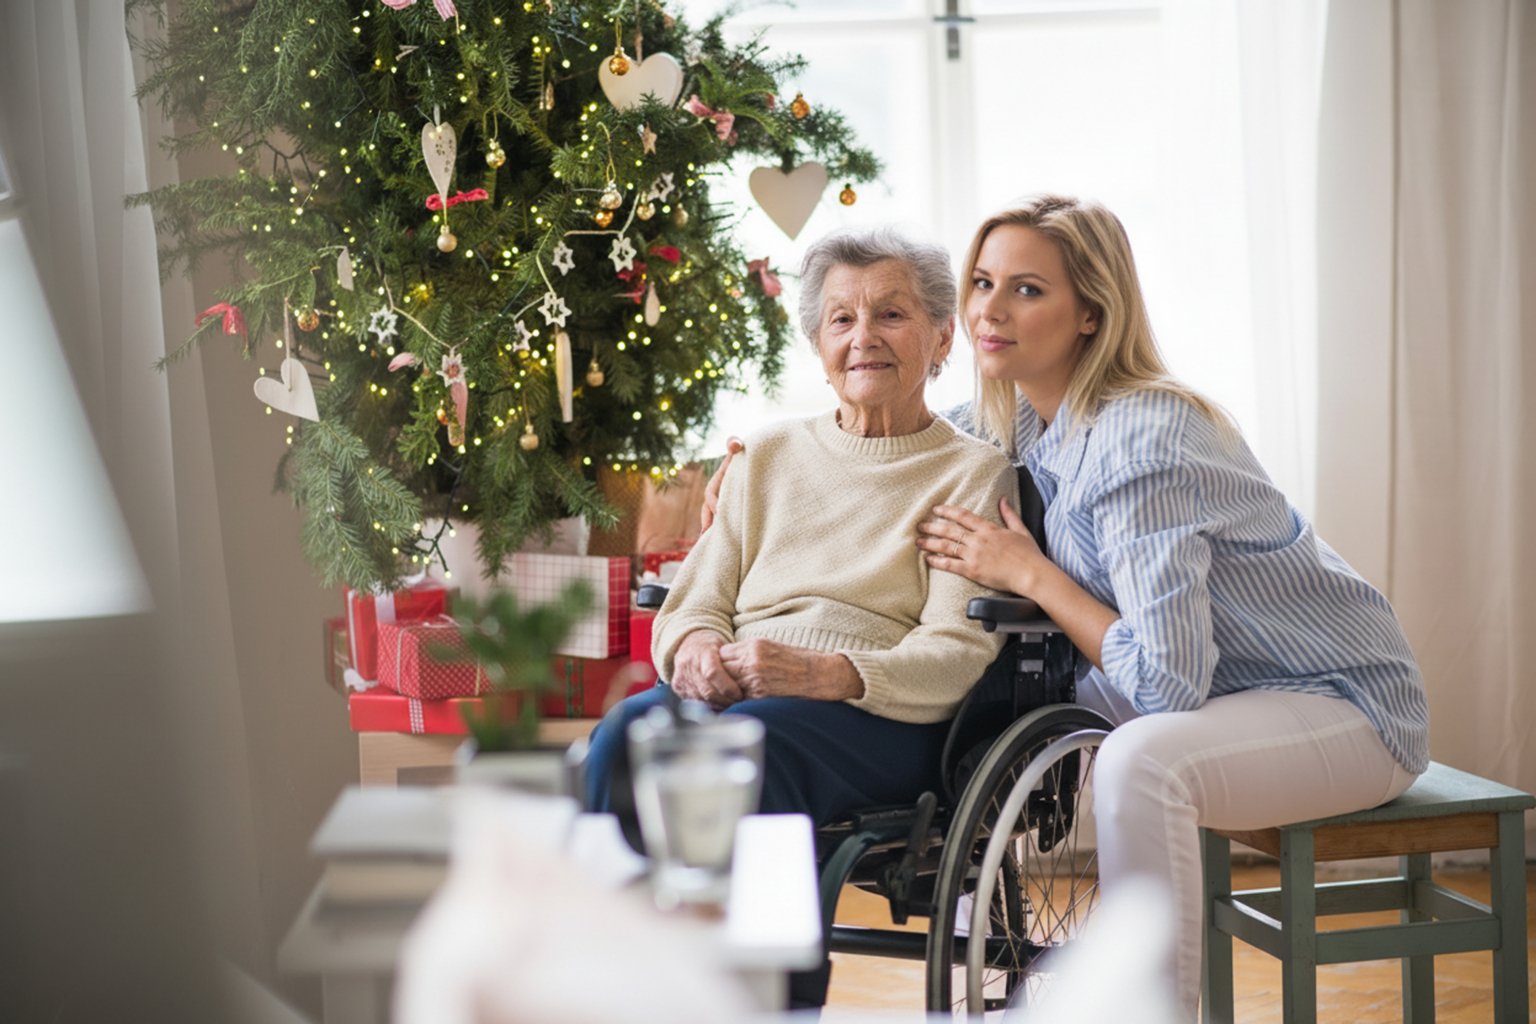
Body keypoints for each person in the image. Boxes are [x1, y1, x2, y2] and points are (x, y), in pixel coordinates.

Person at [703, 197, 1429, 1017]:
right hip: (1221, 692)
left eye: (1026, 290)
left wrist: (1033, 572)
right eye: (982, 283)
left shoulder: (1143, 438)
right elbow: (887, 436)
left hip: (1340, 702)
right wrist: (748, 463)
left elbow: (1164, 689)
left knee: (1140, 762)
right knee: (1000, 703)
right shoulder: (1015, 417)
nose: (988, 310)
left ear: (1090, 313)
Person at [584, 225, 1018, 1003]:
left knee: (750, 752)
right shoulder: (770, 455)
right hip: (751, 691)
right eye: (841, 320)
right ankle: (617, 986)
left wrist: (825, 672)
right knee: (622, 738)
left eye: (891, 314)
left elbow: (955, 651)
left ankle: (777, 1002)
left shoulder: (971, 474)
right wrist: (692, 652)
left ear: (942, 336)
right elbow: (696, 602)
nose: (864, 339)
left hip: (883, 716)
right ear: (819, 344)